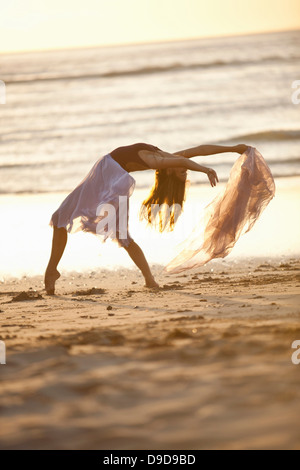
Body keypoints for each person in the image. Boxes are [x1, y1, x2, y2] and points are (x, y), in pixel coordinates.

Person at [44, 142, 248, 294]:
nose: (184, 167)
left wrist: (204, 169)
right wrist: (233, 148)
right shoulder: (163, 156)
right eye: (183, 170)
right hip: (110, 176)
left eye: (183, 170)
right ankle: (149, 279)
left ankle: (52, 270)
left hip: (110, 178)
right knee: (69, 220)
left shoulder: (157, 160)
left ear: (169, 171)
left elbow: (185, 159)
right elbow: (200, 150)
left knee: (68, 219)